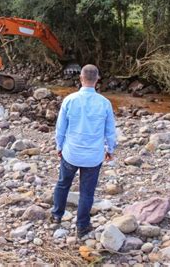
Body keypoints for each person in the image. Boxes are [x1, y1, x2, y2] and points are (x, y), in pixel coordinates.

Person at [51, 64, 117, 239]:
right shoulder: (104, 103)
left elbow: (60, 128)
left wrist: (59, 146)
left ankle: (57, 215)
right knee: (87, 192)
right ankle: (82, 226)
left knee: (63, 184)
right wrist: (110, 149)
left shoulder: (70, 100)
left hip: (71, 153)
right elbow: (110, 131)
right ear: (97, 80)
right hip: (93, 156)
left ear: (80, 78)